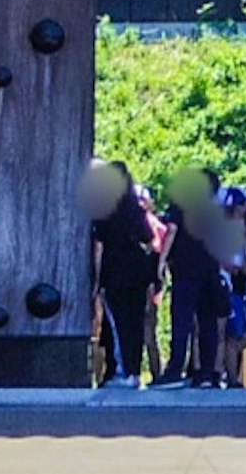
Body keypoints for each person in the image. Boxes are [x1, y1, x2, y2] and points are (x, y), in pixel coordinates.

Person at [89, 160, 159, 390]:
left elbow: (98, 246)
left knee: (116, 323)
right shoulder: (134, 209)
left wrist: (96, 281)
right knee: (135, 323)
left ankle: (120, 370)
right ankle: (134, 372)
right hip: (137, 272)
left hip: (115, 270)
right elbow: (149, 239)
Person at [160, 171, 224, 388]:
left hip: (186, 270)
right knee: (208, 322)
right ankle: (206, 372)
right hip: (210, 270)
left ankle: (175, 370)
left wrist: (162, 261)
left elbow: (171, 231)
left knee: (182, 321)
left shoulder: (182, 204)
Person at [214, 185, 246, 389]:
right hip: (228, 284)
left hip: (244, 286)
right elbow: (231, 262)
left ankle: (229, 367)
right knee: (232, 333)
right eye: (244, 204)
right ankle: (229, 376)